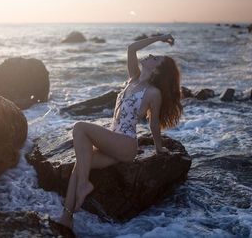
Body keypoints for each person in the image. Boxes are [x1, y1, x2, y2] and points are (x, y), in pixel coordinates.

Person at [56, 34, 183, 230]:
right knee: (80, 163)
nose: (150, 55)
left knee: (80, 127)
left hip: (125, 144)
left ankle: (84, 186)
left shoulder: (153, 93)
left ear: (157, 70)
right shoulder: (132, 79)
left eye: (156, 58)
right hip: (113, 139)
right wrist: (160, 37)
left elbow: (154, 124)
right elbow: (132, 48)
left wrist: (159, 148)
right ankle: (67, 217)